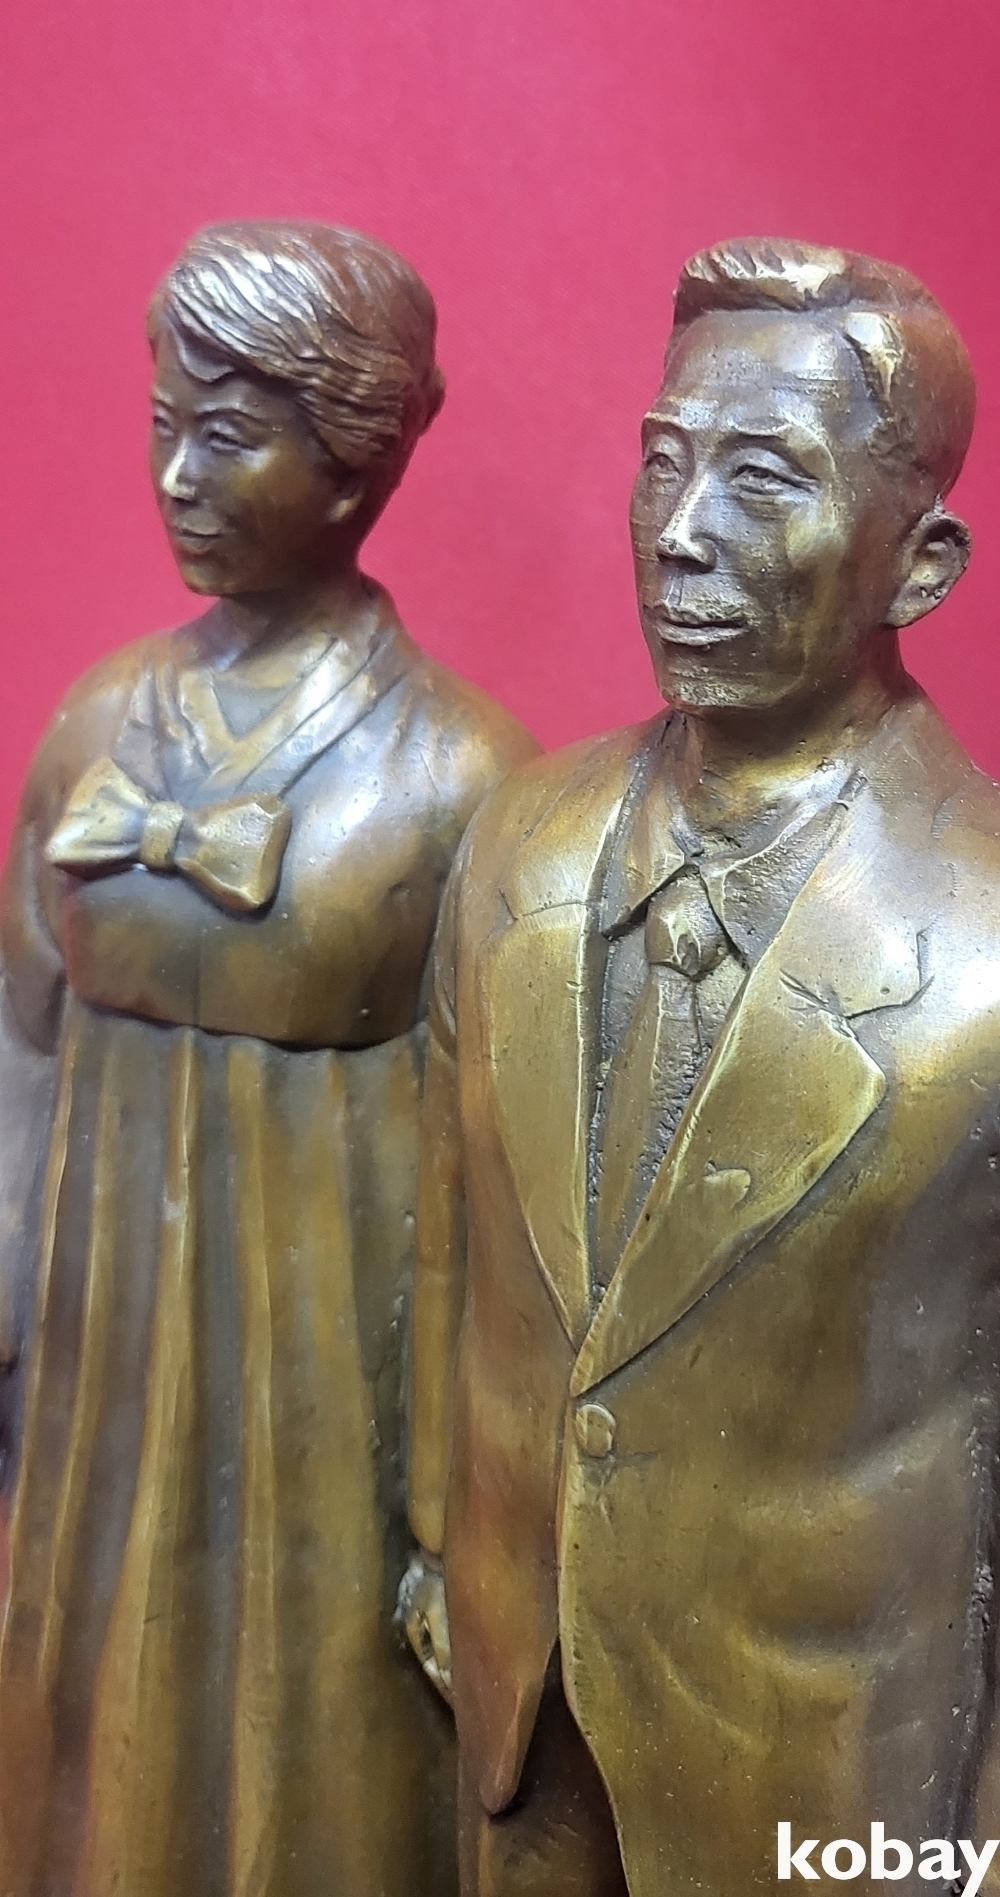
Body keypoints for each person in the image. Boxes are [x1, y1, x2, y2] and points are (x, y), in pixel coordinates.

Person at [404, 238, 1000, 1895]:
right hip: (516, 1716)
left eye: (765, 478)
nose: (681, 530)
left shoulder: (982, 945)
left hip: (830, 1771)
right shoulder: (514, 842)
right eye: (663, 461)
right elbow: (448, 1238)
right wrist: (440, 1544)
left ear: (921, 563)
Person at [0, 220, 536, 1897]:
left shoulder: (463, 773)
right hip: (90, 1358)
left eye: (227, 436)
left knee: (308, 1754)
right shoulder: (94, 721)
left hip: (325, 1386)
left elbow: (500, 1188)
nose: (175, 477)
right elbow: (18, 1042)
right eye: (163, 423)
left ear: (355, 461)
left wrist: (463, 1505)